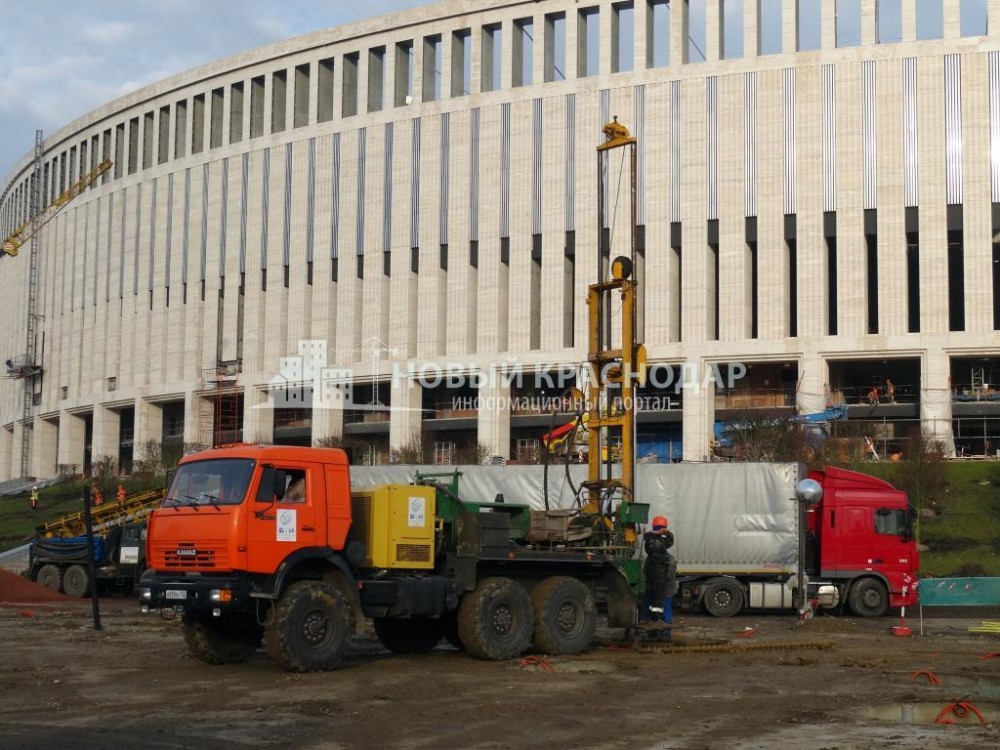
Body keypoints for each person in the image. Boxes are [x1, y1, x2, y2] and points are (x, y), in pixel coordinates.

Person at [642, 515, 678, 640]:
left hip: (662, 582)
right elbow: (657, 557)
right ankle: (659, 633)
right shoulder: (653, 542)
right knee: (658, 607)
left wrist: (668, 534)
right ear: (660, 528)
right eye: (664, 528)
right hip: (659, 582)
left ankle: (660, 632)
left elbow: (669, 542)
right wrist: (668, 560)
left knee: (658, 607)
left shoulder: (657, 540)